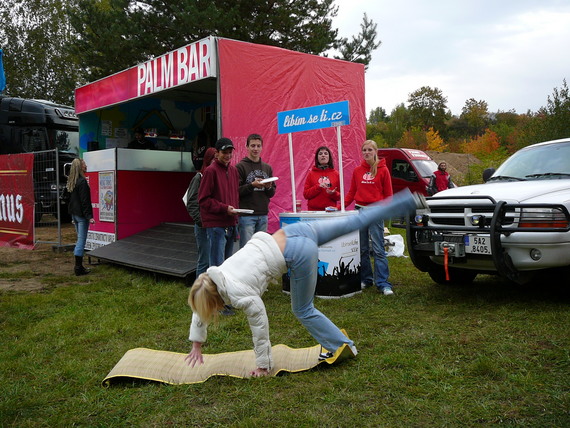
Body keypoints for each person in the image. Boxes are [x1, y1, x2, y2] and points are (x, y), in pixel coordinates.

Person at [185, 189, 427, 377]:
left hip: (297, 251)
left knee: (302, 309)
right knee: (354, 221)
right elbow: (200, 304)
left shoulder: (237, 294)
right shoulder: (213, 276)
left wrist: (263, 365)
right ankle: (406, 201)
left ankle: (344, 346)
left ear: (213, 301)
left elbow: (259, 327)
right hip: (292, 232)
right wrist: (197, 344)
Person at [344, 139, 394, 295]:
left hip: (375, 211)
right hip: (360, 211)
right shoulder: (357, 170)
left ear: (375, 152)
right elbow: (352, 192)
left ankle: (383, 283)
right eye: (364, 150)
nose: (366, 153)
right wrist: (341, 207)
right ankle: (366, 279)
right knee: (363, 248)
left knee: (378, 249)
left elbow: (388, 195)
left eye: (369, 150)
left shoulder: (383, 170)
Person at [198, 137, 240, 266]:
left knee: (227, 265)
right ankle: (215, 286)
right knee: (217, 266)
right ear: (216, 153)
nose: (227, 156)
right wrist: (224, 208)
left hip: (230, 224)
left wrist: (235, 219)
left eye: (229, 152)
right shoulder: (210, 171)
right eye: (224, 152)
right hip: (216, 225)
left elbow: (235, 196)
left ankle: (224, 287)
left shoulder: (234, 171)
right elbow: (203, 200)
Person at [236, 134, 276, 248]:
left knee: (261, 250)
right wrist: (251, 185)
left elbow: (272, 193)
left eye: (258, 146)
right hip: (246, 215)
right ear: (247, 147)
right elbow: (236, 191)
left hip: (263, 215)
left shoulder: (267, 168)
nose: (255, 149)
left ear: (262, 147)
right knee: (246, 250)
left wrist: (268, 186)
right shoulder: (240, 167)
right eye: (253, 146)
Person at [186, 147, 217, 277]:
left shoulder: (220, 176)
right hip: (203, 226)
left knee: (215, 260)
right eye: (214, 159)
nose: (216, 161)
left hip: (216, 225)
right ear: (208, 160)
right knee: (204, 260)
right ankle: (198, 292)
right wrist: (201, 221)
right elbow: (191, 202)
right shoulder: (199, 177)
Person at [67, 158, 95, 276]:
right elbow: (85, 201)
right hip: (82, 215)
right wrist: (89, 216)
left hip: (75, 214)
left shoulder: (72, 181)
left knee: (79, 239)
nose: (86, 166)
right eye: (84, 164)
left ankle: (79, 266)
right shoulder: (82, 182)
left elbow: (70, 199)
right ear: (80, 167)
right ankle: (78, 267)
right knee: (81, 241)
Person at [303, 146, 340, 211]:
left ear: (329, 157)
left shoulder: (336, 174)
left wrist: (333, 193)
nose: (323, 155)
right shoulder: (311, 174)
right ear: (317, 158)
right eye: (320, 154)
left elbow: (340, 197)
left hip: (330, 211)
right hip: (314, 212)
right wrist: (318, 187)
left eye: (326, 153)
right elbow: (306, 195)